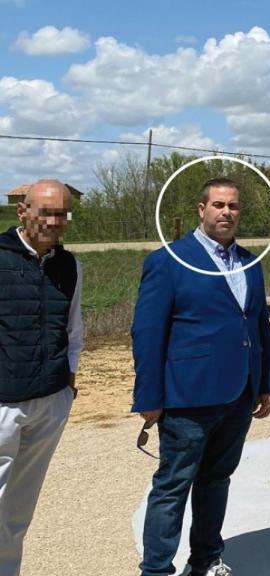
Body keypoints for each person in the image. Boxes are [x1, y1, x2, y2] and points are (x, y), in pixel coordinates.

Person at [132, 177, 270, 576]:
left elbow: (259, 325)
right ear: (202, 210)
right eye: (218, 205)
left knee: (217, 481)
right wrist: (149, 397)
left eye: (233, 206)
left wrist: (266, 382)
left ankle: (206, 559)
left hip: (238, 395)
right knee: (172, 487)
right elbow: (147, 333)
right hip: (187, 397)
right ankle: (157, 569)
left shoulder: (251, 261)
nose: (226, 212)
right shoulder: (168, 260)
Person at [0, 180, 82, 575]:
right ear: (22, 212)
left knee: (17, 512)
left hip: (49, 402)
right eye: (45, 211)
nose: (53, 221)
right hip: (2, 405)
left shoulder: (69, 265)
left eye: (61, 213)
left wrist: (69, 381)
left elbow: (73, 328)